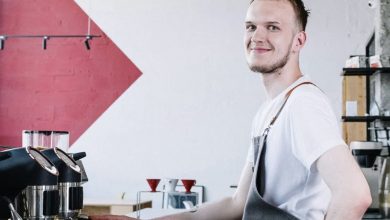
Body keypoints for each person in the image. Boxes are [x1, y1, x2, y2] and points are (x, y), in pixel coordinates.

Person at [90, 0, 372, 219]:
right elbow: (237, 205)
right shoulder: (270, 112)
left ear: (299, 41)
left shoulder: (303, 104)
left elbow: (354, 194)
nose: (257, 36)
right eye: (251, 26)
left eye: (272, 27)